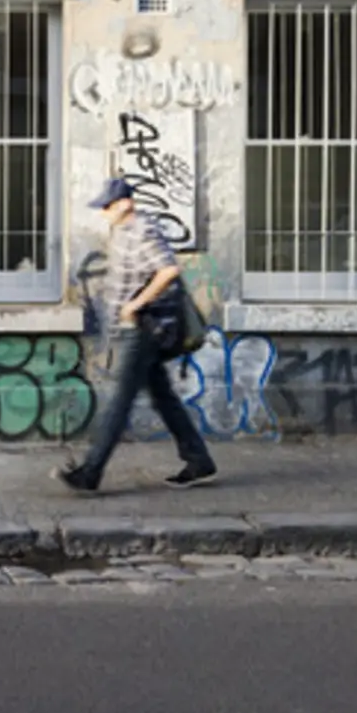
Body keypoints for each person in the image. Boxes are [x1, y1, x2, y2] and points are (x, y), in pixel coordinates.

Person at [59, 176, 216, 492]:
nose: (103, 212)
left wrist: (134, 305)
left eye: (107, 205)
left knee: (119, 401)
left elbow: (169, 269)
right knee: (164, 397)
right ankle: (198, 460)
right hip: (134, 328)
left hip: (142, 328)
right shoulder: (123, 230)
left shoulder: (142, 229)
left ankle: (91, 472)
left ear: (125, 203)